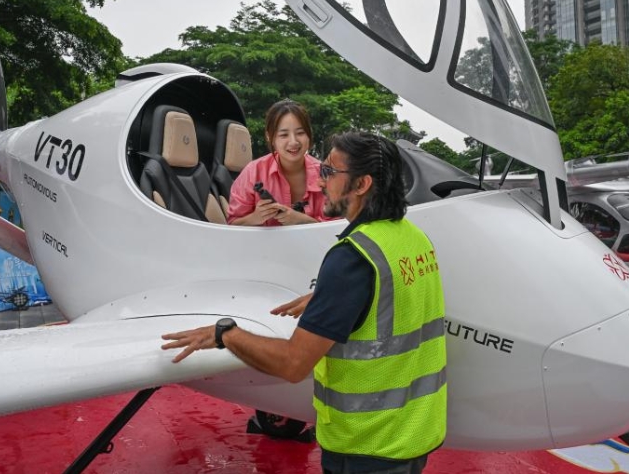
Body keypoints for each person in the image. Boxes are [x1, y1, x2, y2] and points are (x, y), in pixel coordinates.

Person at [162, 132, 447, 473]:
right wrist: (332, 300)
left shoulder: (352, 260)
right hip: (415, 433)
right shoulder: (413, 238)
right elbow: (393, 299)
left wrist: (225, 333)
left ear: (361, 184)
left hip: (368, 447)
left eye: (329, 172)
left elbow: (293, 364)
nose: (319, 180)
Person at [227, 99, 326, 226]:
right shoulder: (253, 172)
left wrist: (303, 220)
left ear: (309, 133)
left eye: (300, 133)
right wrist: (255, 218)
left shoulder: (326, 175)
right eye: (284, 135)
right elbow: (232, 225)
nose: (293, 142)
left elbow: (340, 228)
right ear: (270, 137)